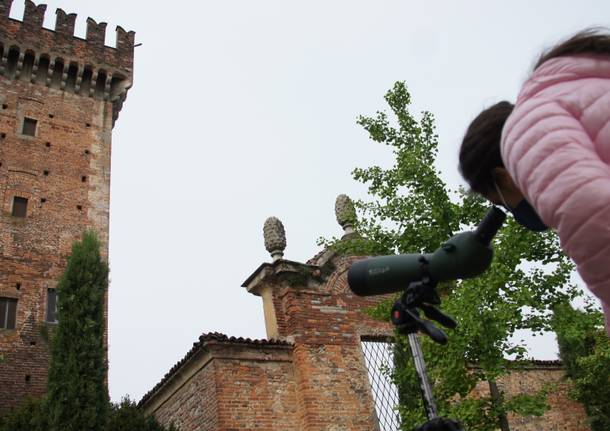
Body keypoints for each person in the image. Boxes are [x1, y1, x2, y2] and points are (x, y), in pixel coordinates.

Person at [459, 29, 610, 335]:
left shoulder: (526, 127)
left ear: (502, 175)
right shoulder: (582, 88)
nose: (512, 212)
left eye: (500, 201)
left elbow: (591, 214)